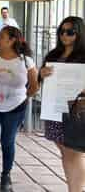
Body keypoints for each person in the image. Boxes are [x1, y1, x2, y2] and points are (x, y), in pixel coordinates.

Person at [0, 26, 39, 192]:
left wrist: (24, 99)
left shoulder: (26, 61)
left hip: (15, 108)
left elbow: (34, 86)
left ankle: (6, 174)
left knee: (7, 141)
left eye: (1, 36)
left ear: (12, 40)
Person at [39, 16, 85, 192]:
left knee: (74, 153)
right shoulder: (53, 55)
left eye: (70, 32)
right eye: (61, 31)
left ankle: (75, 189)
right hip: (55, 110)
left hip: (75, 113)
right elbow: (41, 81)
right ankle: (73, 187)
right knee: (65, 153)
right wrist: (42, 74)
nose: (64, 35)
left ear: (79, 34)